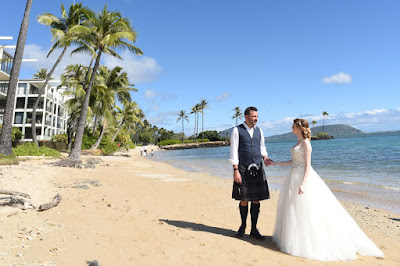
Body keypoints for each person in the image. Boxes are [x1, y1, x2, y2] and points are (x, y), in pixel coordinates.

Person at [270, 118, 383, 261]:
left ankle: (309, 242)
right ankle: (296, 240)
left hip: (303, 178)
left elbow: (307, 165)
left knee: (307, 210)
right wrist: (276, 164)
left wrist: (303, 183)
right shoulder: (298, 143)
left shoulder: (306, 144)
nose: (291, 127)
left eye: (293, 126)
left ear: (299, 128)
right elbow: (294, 162)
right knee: (294, 209)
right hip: (293, 176)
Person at [230, 106, 272, 240]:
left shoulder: (259, 130)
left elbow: (262, 147)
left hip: (258, 168)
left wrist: (265, 157)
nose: (256, 119)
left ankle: (254, 229)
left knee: (256, 199)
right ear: (246, 116)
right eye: (254, 116)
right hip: (242, 168)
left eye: (257, 117)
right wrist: (236, 170)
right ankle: (242, 227)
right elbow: (234, 151)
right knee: (243, 199)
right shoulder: (237, 130)